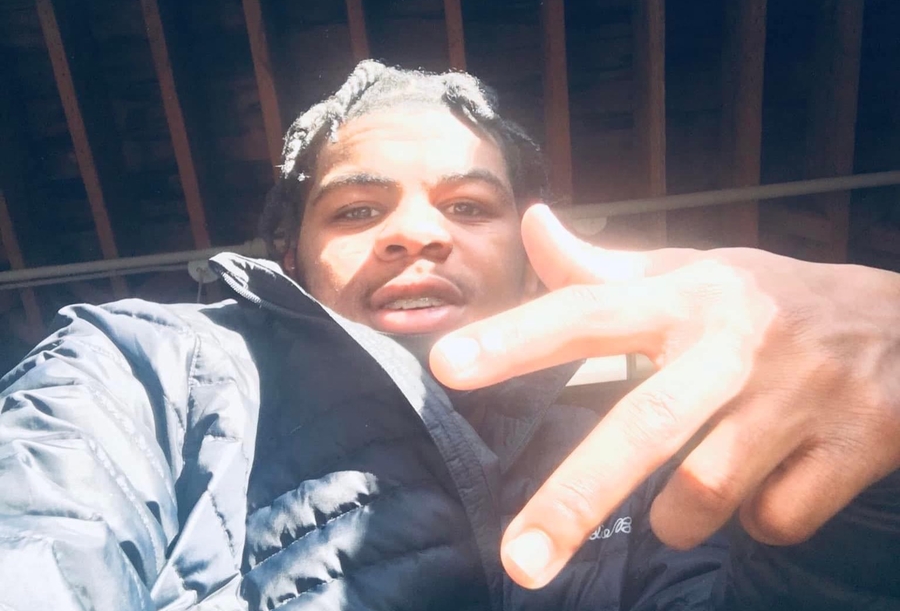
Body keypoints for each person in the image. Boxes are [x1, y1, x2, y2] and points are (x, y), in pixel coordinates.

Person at [0, 60, 896, 610]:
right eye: (357, 209)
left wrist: (875, 481)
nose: (416, 234)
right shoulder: (143, 369)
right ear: (295, 258)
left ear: (530, 258)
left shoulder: (659, 455)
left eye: (468, 206)